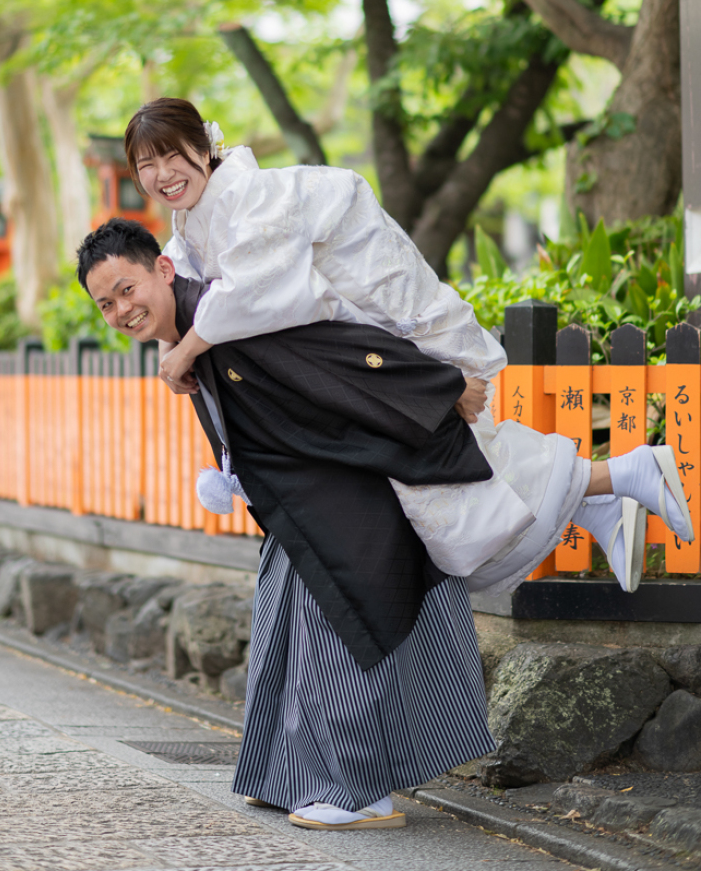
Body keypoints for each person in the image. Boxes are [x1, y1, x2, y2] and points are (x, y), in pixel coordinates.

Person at [79, 218, 689, 831]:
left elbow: (338, 351)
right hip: (309, 494)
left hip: (345, 496)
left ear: (161, 268)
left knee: (344, 641)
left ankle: (359, 794)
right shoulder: (194, 328)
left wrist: (441, 386)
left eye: (127, 289)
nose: (122, 309)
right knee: (286, 625)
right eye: (106, 303)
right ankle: (289, 774)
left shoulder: (223, 319)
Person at [122, 98, 693, 596]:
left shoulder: (253, 196)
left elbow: (260, 291)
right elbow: (183, 291)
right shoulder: (193, 221)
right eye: (148, 164)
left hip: (392, 331)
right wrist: (175, 349)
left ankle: (626, 474)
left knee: (448, 468)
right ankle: (604, 497)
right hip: (358, 349)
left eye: (175, 154)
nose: (165, 173)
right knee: (446, 475)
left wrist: (186, 349)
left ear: (205, 146)